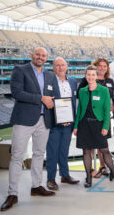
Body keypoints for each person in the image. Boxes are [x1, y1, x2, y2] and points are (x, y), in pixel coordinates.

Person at [1, 47, 56, 212]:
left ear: (47, 58)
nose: (40, 57)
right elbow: (16, 92)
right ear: (32, 55)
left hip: (43, 120)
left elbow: (52, 97)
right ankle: (12, 194)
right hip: (24, 119)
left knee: (39, 154)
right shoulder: (20, 70)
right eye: (38, 54)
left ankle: (36, 186)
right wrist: (40, 98)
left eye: (44, 55)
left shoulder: (50, 75)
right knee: (17, 156)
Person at [73, 65, 114, 188]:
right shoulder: (82, 91)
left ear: (96, 76)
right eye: (88, 74)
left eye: (93, 75)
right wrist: (76, 126)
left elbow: (107, 111)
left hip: (98, 124)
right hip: (84, 125)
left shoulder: (104, 90)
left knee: (104, 150)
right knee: (86, 152)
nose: (90, 77)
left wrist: (106, 126)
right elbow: (79, 110)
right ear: (86, 76)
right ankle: (88, 178)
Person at [77, 58, 114, 178]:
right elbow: (81, 101)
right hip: (87, 120)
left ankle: (103, 167)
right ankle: (91, 171)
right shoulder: (86, 81)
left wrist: (111, 104)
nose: (102, 68)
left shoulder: (109, 81)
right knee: (88, 148)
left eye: (105, 66)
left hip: (102, 118)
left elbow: (111, 97)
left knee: (103, 146)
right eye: (100, 66)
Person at [45, 57, 79, 191]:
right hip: (55, 122)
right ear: (53, 67)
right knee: (52, 151)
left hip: (69, 123)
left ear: (67, 66)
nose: (60, 67)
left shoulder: (73, 82)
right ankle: (51, 179)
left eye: (62, 65)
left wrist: (72, 120)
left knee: (64, 150)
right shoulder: (49, 81)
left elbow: (74, 102)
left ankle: (64, 175)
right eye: (57, 65)